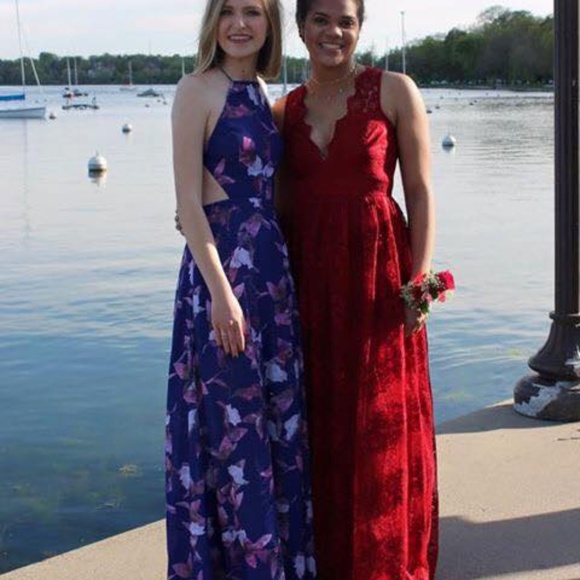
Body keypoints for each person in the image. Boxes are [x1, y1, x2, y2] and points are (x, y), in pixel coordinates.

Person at [272, 0, 439, 578]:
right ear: (300, 28)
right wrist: (196, 210)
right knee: (320, 418)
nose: (334, 32)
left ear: (360, 28)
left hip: (377, 278)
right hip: (310, 282)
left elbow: (419, 191)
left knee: (378, 421)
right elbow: (272, 202)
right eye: (320, 20)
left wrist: (418, 281)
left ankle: (383, 559)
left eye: (346, 21)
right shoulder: (285, 110)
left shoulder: (393, 91)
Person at [165, 1, 316, 578]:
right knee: (230, 430)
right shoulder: (195, 90)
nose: (239, 23)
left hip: (271, 281)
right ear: (213, 21)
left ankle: (275, 565)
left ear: (270, 23)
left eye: (253, 11)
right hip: (220, 282)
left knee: (274, 425)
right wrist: (222, 296)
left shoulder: (261, 94)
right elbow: (188, 202)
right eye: (227, 10)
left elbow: (266, 192)